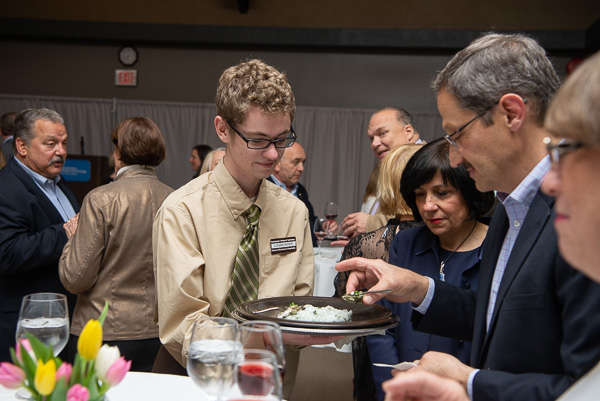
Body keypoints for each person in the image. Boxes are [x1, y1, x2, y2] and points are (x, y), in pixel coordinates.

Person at [336, 33, 600, 401]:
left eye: (456, 134)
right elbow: (498, 317)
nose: (455, 157)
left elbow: (585, 385)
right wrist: (416, 287)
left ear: (511, 114)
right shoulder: (509, 210)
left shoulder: (580, 217)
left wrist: (470, 382)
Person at [152, 59, 314, 398]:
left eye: (282, 139)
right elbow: (183, 324)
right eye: (258, 140)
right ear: (223, 129)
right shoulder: (182, 210)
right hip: (192, 376)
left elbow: (299, 304)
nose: (273, 154)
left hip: (266, 376)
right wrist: (260, 335)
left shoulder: (293, 212)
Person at [367, 139, 494, 401]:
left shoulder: (496, 248)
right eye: (420, 194)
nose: (427, 206)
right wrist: (393, 384)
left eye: (442, 193)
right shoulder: (406, 242)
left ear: (470, 191)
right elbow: (381, 325)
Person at [59, 117, 173, 371]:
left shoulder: (101, 199)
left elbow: (76, 279)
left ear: (119, 152)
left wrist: (72, 240)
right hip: (157, 332)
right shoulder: (175, 199)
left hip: (103, 333)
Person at [0, 108, 80, 361]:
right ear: (22, 146)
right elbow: (7, 253)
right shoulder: (6, 188)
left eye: (64, 143)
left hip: (60, 319)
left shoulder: (57, 182)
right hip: (27, 325)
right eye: (51, 143)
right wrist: (65, 232)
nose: (61, 151)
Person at [342, 107, 424, 238]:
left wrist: (370, 224)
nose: (374, 143)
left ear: (408, 132)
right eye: (371, 138)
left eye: (382, 133)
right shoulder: (394, 164)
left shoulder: (424, 163)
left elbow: (417, 219)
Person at [267, 142, 318, 246]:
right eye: (296, 162)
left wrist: (324, 226)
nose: (301, 168)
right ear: (277, 164)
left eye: (303, 162)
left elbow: (310, 220)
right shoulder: (262, 188)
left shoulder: (300, 190)